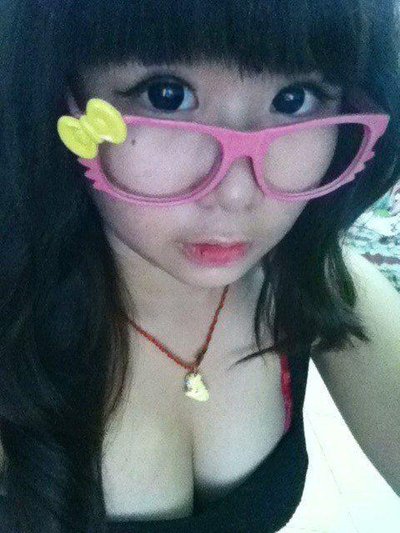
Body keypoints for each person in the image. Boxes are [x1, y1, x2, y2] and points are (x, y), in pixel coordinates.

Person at [0, 1, 399, 532]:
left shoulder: (315, 279)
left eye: (294, 99)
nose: (236, 194)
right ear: (56, 91)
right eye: (166, 95)